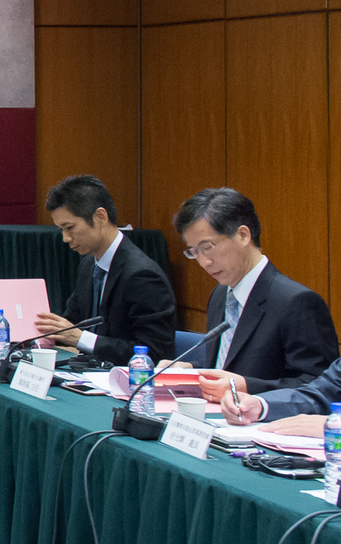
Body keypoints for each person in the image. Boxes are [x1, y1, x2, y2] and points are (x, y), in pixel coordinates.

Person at [171, 188, 337, 414]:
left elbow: (319, 387)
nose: (204, 262)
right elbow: (230, 365)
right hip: (218, 418)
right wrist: (190, 370)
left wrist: (247, 387)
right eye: (194, 252)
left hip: (265, 424)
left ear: (243, 235)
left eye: (207, 247)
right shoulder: (220, 294)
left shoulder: (297, 302)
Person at [32, 174, 175, 366]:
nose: (65, 238)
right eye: (61, 230)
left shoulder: (142, 275)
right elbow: (70, 323)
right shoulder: (88, 265)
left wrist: (81, 339)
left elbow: (154, 353)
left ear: (100, 217)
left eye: (70, 227)